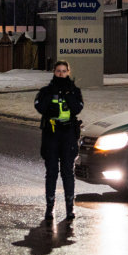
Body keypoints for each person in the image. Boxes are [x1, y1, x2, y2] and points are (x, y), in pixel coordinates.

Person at [34, 60, 84, 221]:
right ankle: (50, 208)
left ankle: (70, 208)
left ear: (68, 72)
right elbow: (40, 107)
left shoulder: (74, 90)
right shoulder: (46, 90)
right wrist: (51, 96)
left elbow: (77, 108)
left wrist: (68, 95)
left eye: (64, 71)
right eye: (58, 71)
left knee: (68, 173)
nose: (61, 74)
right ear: (54, 72)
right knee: (52, 173)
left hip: (68, 134)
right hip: (51, 134)